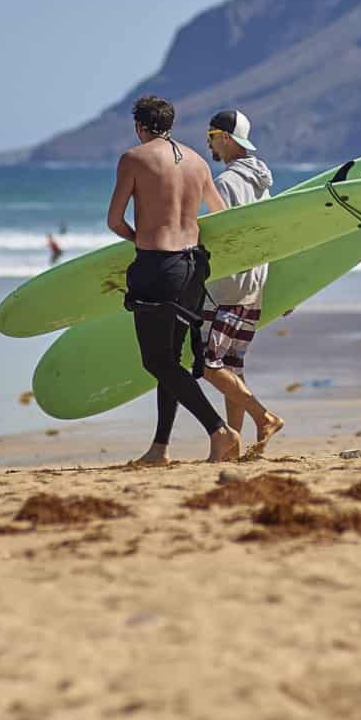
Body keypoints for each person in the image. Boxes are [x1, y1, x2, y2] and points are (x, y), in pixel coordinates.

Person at [107, 95, 240, 465]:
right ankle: (159, 449)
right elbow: (220, 214)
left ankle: (219, 431)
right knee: (171, 360)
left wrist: (141, 239)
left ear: (139, 126)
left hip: (157, 267)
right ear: (170, 124)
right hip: (194, 268)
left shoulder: (134, 159)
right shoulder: (198, 163)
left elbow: (115, 220)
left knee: (156, 361)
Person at [197, 109, 283, 452]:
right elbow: (273, 236)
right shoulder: (262, 182)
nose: (209, 145)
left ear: (226, 139)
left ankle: (264, 418)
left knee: (206, 364)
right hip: (255, 284)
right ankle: (233, 442)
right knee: (232, 366)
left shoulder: (226, 183)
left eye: (211, 138)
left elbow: (221, 238)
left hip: (228, 288)